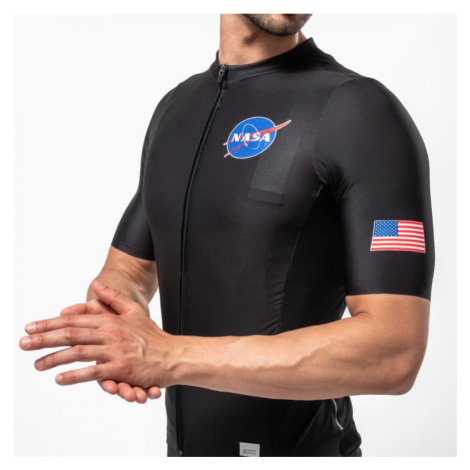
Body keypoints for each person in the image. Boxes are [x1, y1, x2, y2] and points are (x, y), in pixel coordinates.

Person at [19, 14, 435, 457]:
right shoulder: (176, 107)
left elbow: (394, 351)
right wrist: (115, 316)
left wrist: (167, 356)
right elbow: (130, 269)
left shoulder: (361, 111)